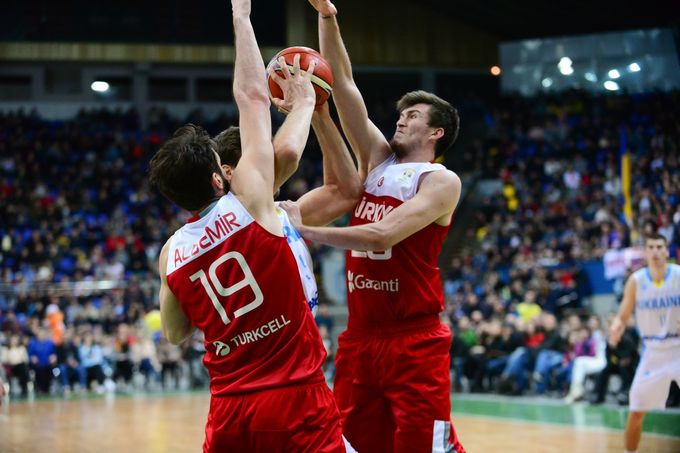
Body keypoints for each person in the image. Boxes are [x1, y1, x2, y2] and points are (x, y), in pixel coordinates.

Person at [148, 0, 346, 451]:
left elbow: (175, 333)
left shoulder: (170, 254)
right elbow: (253, 97)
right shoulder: (250, 202)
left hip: (230, 412)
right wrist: (241, 16)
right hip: (295, 398)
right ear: (219, 178)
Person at [280, 2, 466, 451]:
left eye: (414, 115)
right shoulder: (379, 160)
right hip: (361, 338)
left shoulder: (440, 181)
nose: (402, 118)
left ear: (437, 132)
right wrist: (327, 16)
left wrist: (308, 230)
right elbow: (343, 85)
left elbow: (383, 234)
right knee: (353, 445)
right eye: (402, 113)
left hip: (414, 341)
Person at [609, 233, 680, 453]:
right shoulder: (637, 280)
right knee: (636, 412)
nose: (656, 251)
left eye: (660, 247)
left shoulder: (678, 275)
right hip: (653, 352)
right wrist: (617, 325)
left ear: (666, 251)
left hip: (678, 349)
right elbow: (624, 313)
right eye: (651, 247)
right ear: (646, 253)